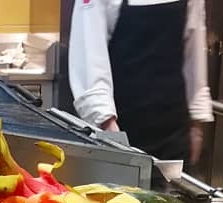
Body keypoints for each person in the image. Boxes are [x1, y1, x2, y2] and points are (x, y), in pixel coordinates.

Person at [68, 0, 212, 166]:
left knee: (175, 191)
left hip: (175, 127)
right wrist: (108, 127)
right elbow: (89, 55)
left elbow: (194, 55)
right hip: (121, 127)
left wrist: (196, 125)